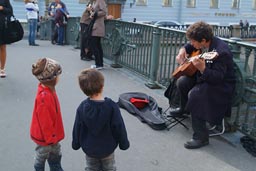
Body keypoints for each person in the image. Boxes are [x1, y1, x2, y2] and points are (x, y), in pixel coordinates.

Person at [170, 21, 235, 149]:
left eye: (193, 42)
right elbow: (189, 46)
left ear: (203, 40)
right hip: (205, 78)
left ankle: (201, 136)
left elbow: (217, 78)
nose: (192, 44)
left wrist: (203, 69)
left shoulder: (221, 52)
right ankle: (183, 109)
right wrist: (182, 50)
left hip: (221, 86)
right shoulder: (202, 42)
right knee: (182, 81)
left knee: (195, 94)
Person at [72, 68, 130, 171]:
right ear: (102, 86)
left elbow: (77, 127)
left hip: (90, 149)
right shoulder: (111, 106)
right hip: (107, 148)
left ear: (83, 90)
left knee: (91, 168)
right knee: (109, 168)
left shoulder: (82, 107)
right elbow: (118, 126)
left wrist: (76, 143)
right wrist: (123, 143)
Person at [30, 58, 65, 171]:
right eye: (58, 75)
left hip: (52, 135)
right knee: (43, 154)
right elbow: (45, 122)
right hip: (46, 137)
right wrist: (51, 138)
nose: (59, 77)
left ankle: (56, 167)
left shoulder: (48, 90)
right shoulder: (45, 97)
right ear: (51, 79)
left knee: (55, 153)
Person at [90, 0, 107, 70]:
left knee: (95, 46)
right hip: (96, 26)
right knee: (97, 46)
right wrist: (92, 13)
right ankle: (99, 64)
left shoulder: (100, 1)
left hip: (98, 27)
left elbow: (104, 12)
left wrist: (94, 14)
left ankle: (99, 64)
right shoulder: (96, 1)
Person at [0, 0, 13, 78]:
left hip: (2, 27)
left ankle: (2, 69)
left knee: (2, 47)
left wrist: (2, 8)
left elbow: (10, 11)